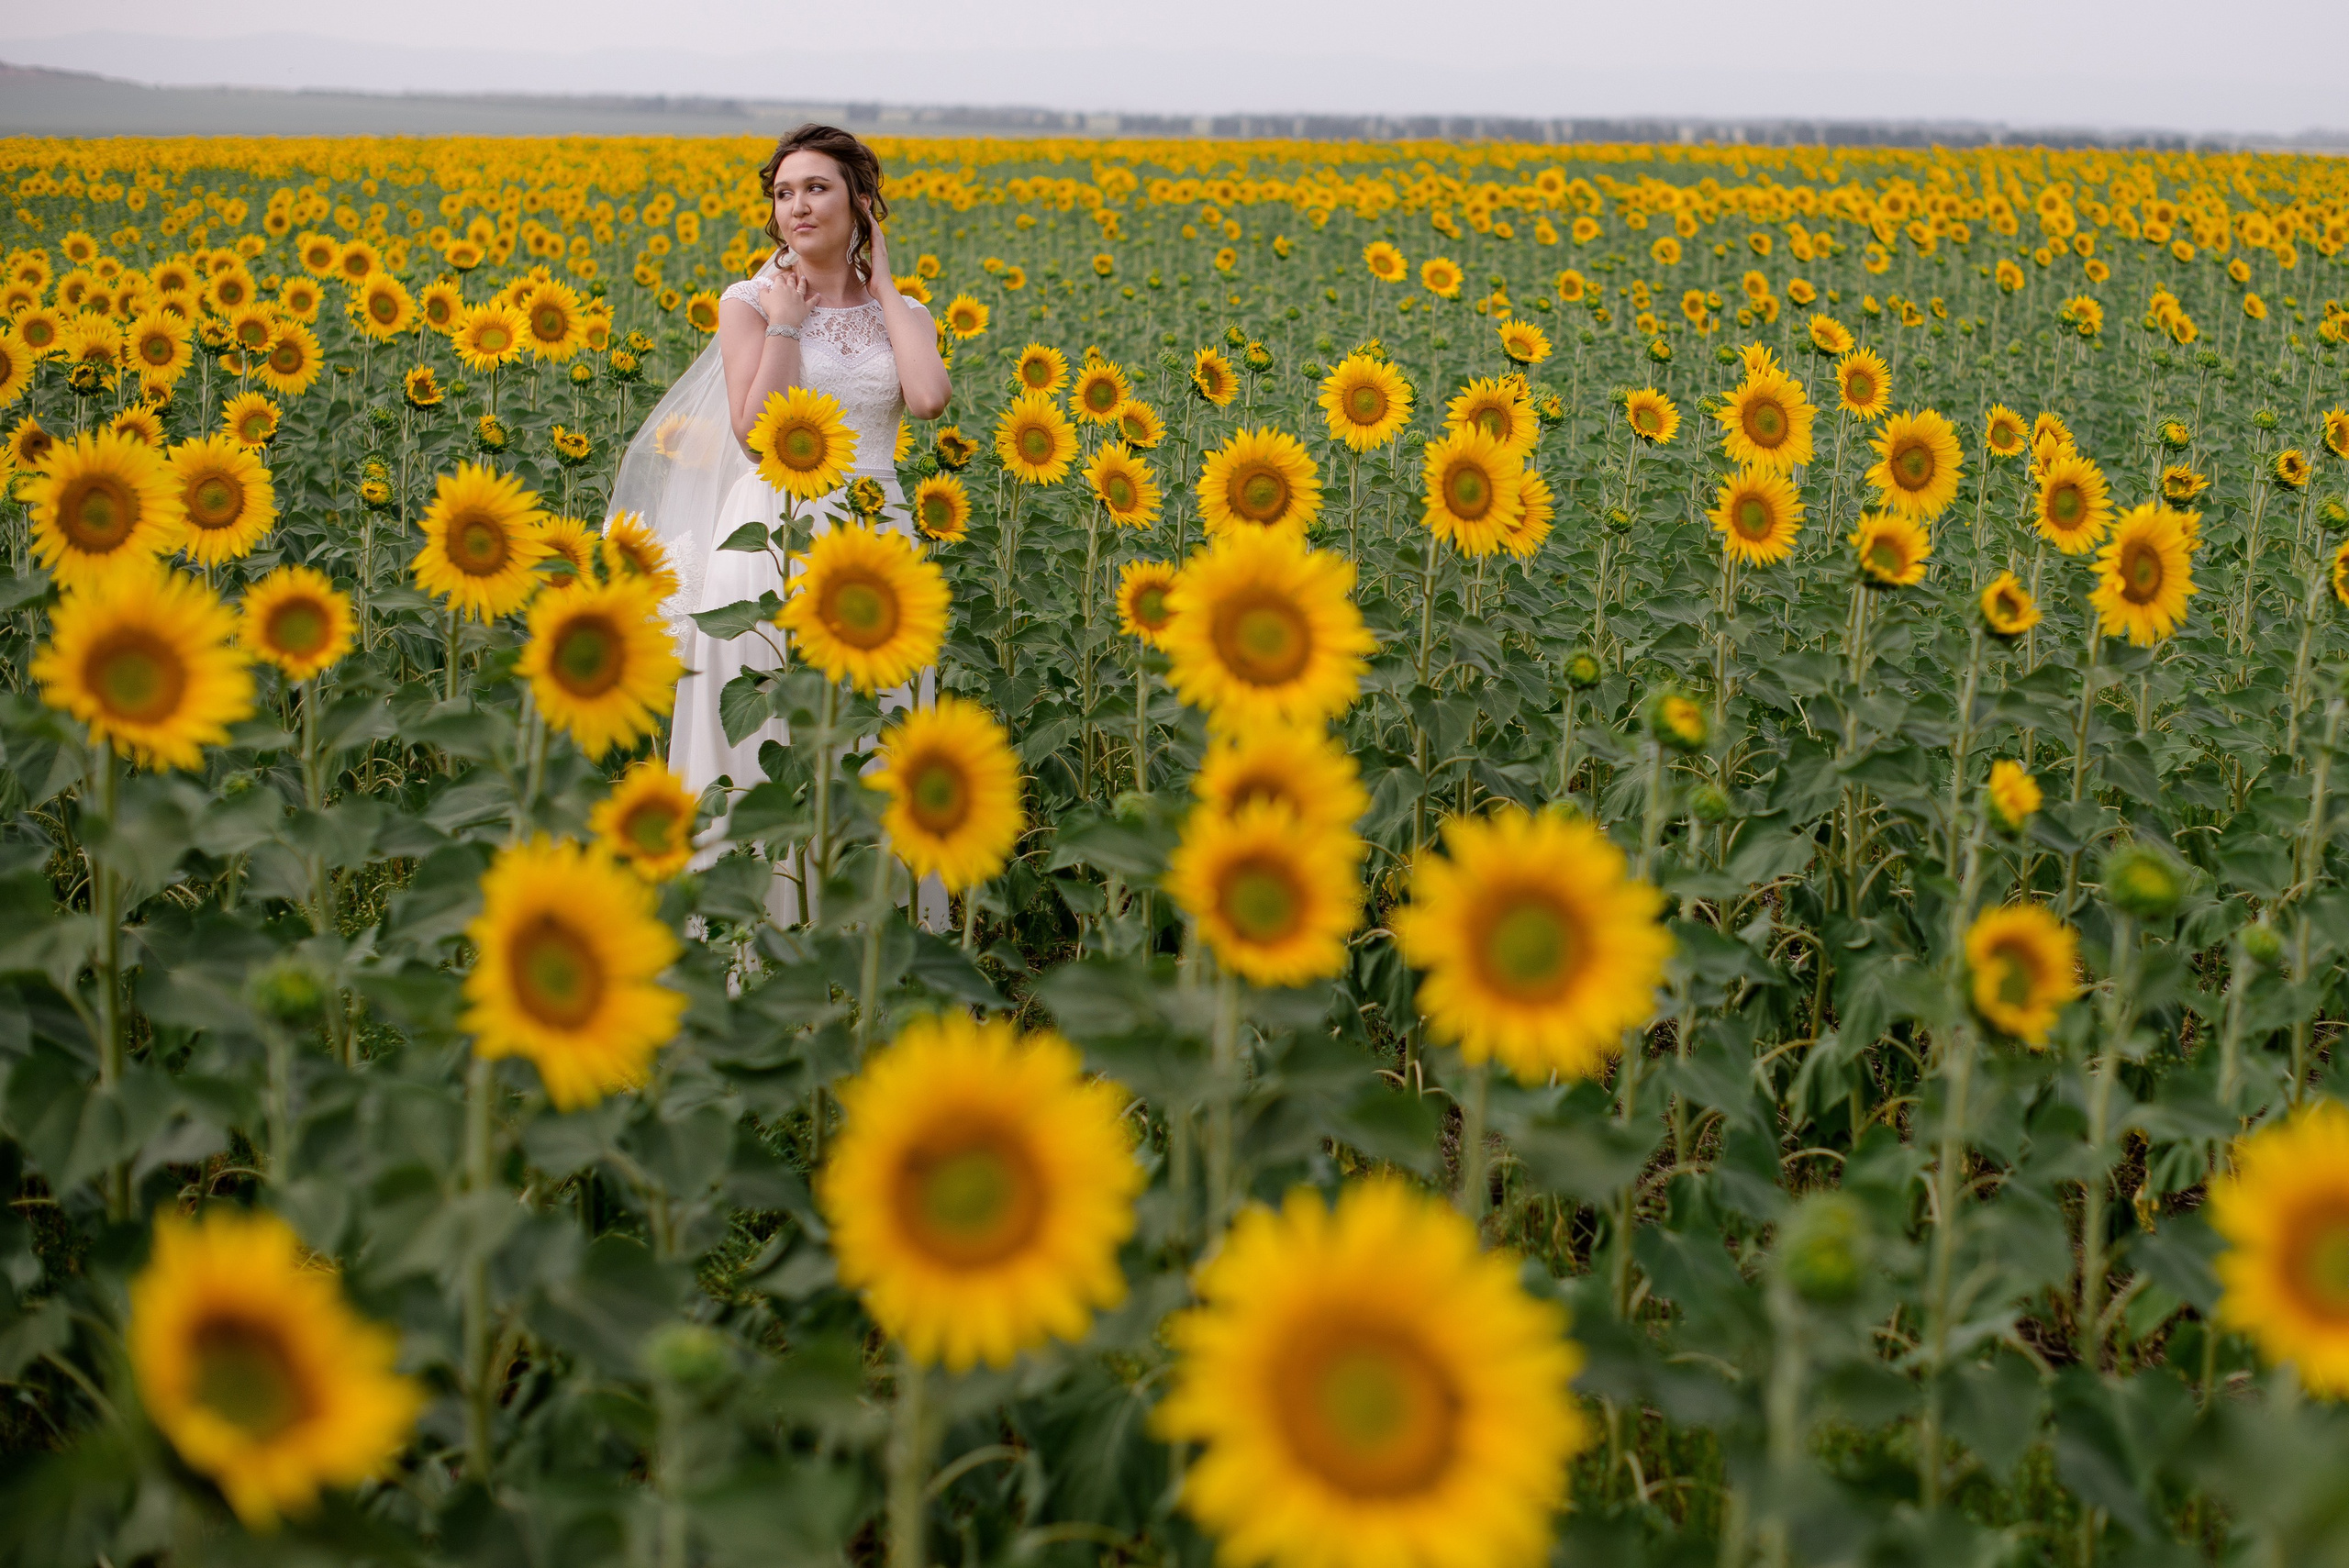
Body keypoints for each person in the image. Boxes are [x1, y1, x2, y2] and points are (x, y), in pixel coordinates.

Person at [608, 124, 952, 927]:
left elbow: (929, 398)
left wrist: (889, 282)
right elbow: (755, 432)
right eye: (783, 192)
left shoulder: (905, 313)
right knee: (762, 728)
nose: (796, 206)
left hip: (875, 536)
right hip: (771, 531)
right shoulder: (747, 303)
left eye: (817, 188)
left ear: (860, 203)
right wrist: (788, 323)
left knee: (877, 726)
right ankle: (752, 943)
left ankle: (862, 948)